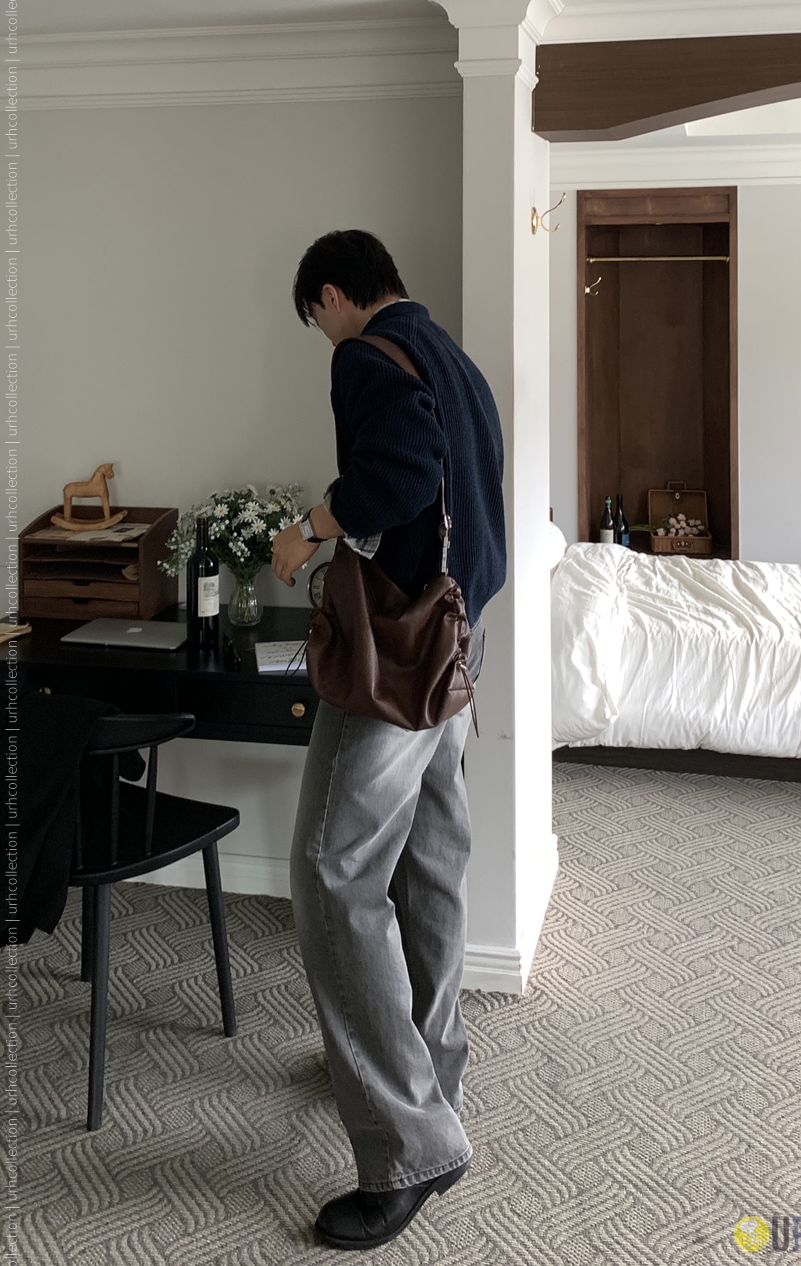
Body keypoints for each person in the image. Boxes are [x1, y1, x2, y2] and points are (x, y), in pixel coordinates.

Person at [270, 229, 506, 1251]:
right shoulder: (450, 356)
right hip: (455, 638)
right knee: (431, 858)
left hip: (398, 655)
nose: (321, 334)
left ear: (332, 295)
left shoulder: (364, 357)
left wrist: (310, 529)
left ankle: (411, 1144)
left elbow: (400, 476)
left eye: (314, 317)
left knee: (331, 870)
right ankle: (426, 1067)